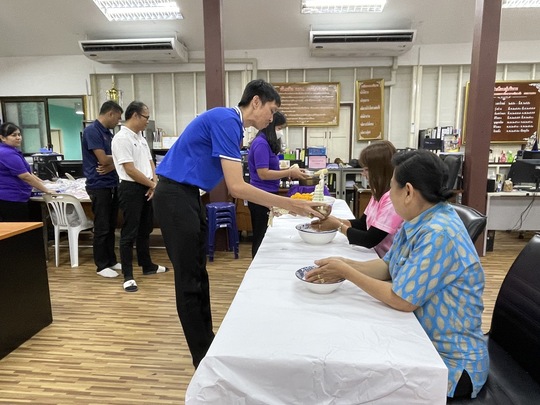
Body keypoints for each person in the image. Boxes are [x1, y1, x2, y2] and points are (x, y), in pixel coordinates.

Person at [153, 79, 329, 368]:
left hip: (189, 196)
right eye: (272, 110)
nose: (272, 118)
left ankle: (207, 343)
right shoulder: (227, 119)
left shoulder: (233, 126)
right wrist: (291, 204)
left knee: (199, 276)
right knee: (188, 280)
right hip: (175, 196)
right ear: (256, 101)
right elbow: (236, 187)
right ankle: (202, 358)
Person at [306, 149, 488, 400]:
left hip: (449, 364)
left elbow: (402, 299)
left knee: (354, 380)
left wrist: (346, 272)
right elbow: (387, 267)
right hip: (419, 340)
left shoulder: (439, 233)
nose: (389, 194)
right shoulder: (418, 219)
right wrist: (343, 263)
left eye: (392, 187)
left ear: (408, 192)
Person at [111, 101, 168, 293]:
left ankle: (147, 265)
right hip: (131, 188)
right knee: (129, 232)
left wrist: (154, 182)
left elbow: (150, 161)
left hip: (147, 186)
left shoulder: (140, 137)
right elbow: (129, 169)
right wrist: (152, 185)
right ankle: (128, 276)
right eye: (146, 117)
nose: (147, 121)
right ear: (135, 115)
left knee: (145, 228)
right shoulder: (121, 138)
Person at [312, 140, 403, 257]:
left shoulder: (392, 201)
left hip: (385, 259)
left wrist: (338, 226)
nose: (363, 174)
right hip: (375, 254)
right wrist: (335, 220)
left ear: (380, 170)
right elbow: (363, 224)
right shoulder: (378, 194)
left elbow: (369, 240)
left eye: (366, 170)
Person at [248, 111, 309, 257]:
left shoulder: (267, 143)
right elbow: (263, 174)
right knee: (261, 236)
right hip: (260, 195)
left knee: (266, 234)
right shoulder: (261, 143)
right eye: (279, 128)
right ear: (271, 126)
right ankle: (258, 264)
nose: (280, 132)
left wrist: (288, 172)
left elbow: (270, 170)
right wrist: (288, 172)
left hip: (268, 193)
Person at [82, 100, 124, 278]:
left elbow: (111, 160)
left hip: (111, 183)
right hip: (99, 185)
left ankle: (111, 260)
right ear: (110, 113)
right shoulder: (92, 131)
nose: (118, 122)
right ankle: (101, 265)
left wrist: (113, 164)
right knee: (102, 226)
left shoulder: (108, 133)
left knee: (111, 225)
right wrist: (116, 160)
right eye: (118, 118)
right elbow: (103, 160)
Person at [0, 122, 55, 221]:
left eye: (19, 134)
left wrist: (43, 183)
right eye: (13, 135)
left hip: (18, 197)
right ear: (3, 138)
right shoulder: (6, 153)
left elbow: (28, 173)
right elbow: (25, 176)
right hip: (11, 198)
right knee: (18, 227)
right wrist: (46, 190)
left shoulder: (13, 151)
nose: (18, 138)